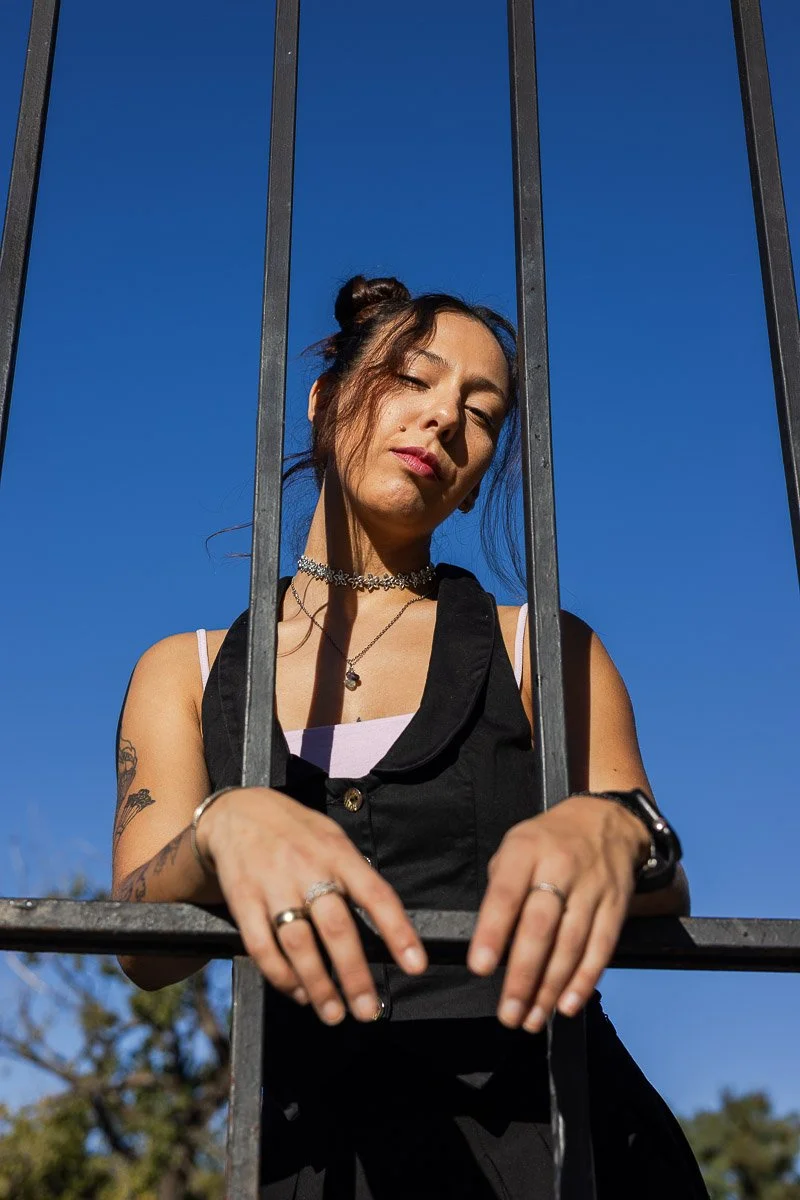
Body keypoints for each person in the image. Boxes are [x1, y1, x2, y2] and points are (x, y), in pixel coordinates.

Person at [112, 275, 708, 1199]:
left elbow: (666, 883)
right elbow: (140, 948)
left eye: (482, 412)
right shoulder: (182, 670)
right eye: (412, 379)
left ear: (475, 485)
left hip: (558, 1154)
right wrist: (222, 825)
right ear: (322, 401)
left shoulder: (542, 649)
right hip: (312, 1164)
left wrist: (617, 827)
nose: (443, 421)